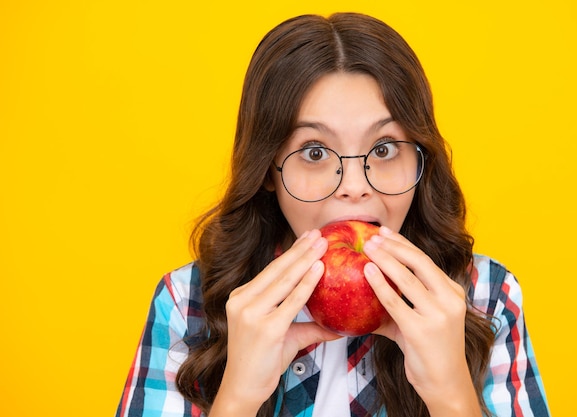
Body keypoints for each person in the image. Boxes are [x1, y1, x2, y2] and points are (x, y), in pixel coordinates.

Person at [115, 12, 550, 417]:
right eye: (315, 152)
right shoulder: (187, 303)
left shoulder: (482, 298)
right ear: (268, 170)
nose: (355, 185)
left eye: (383, 149)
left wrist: (452, 393)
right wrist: (239, 396)